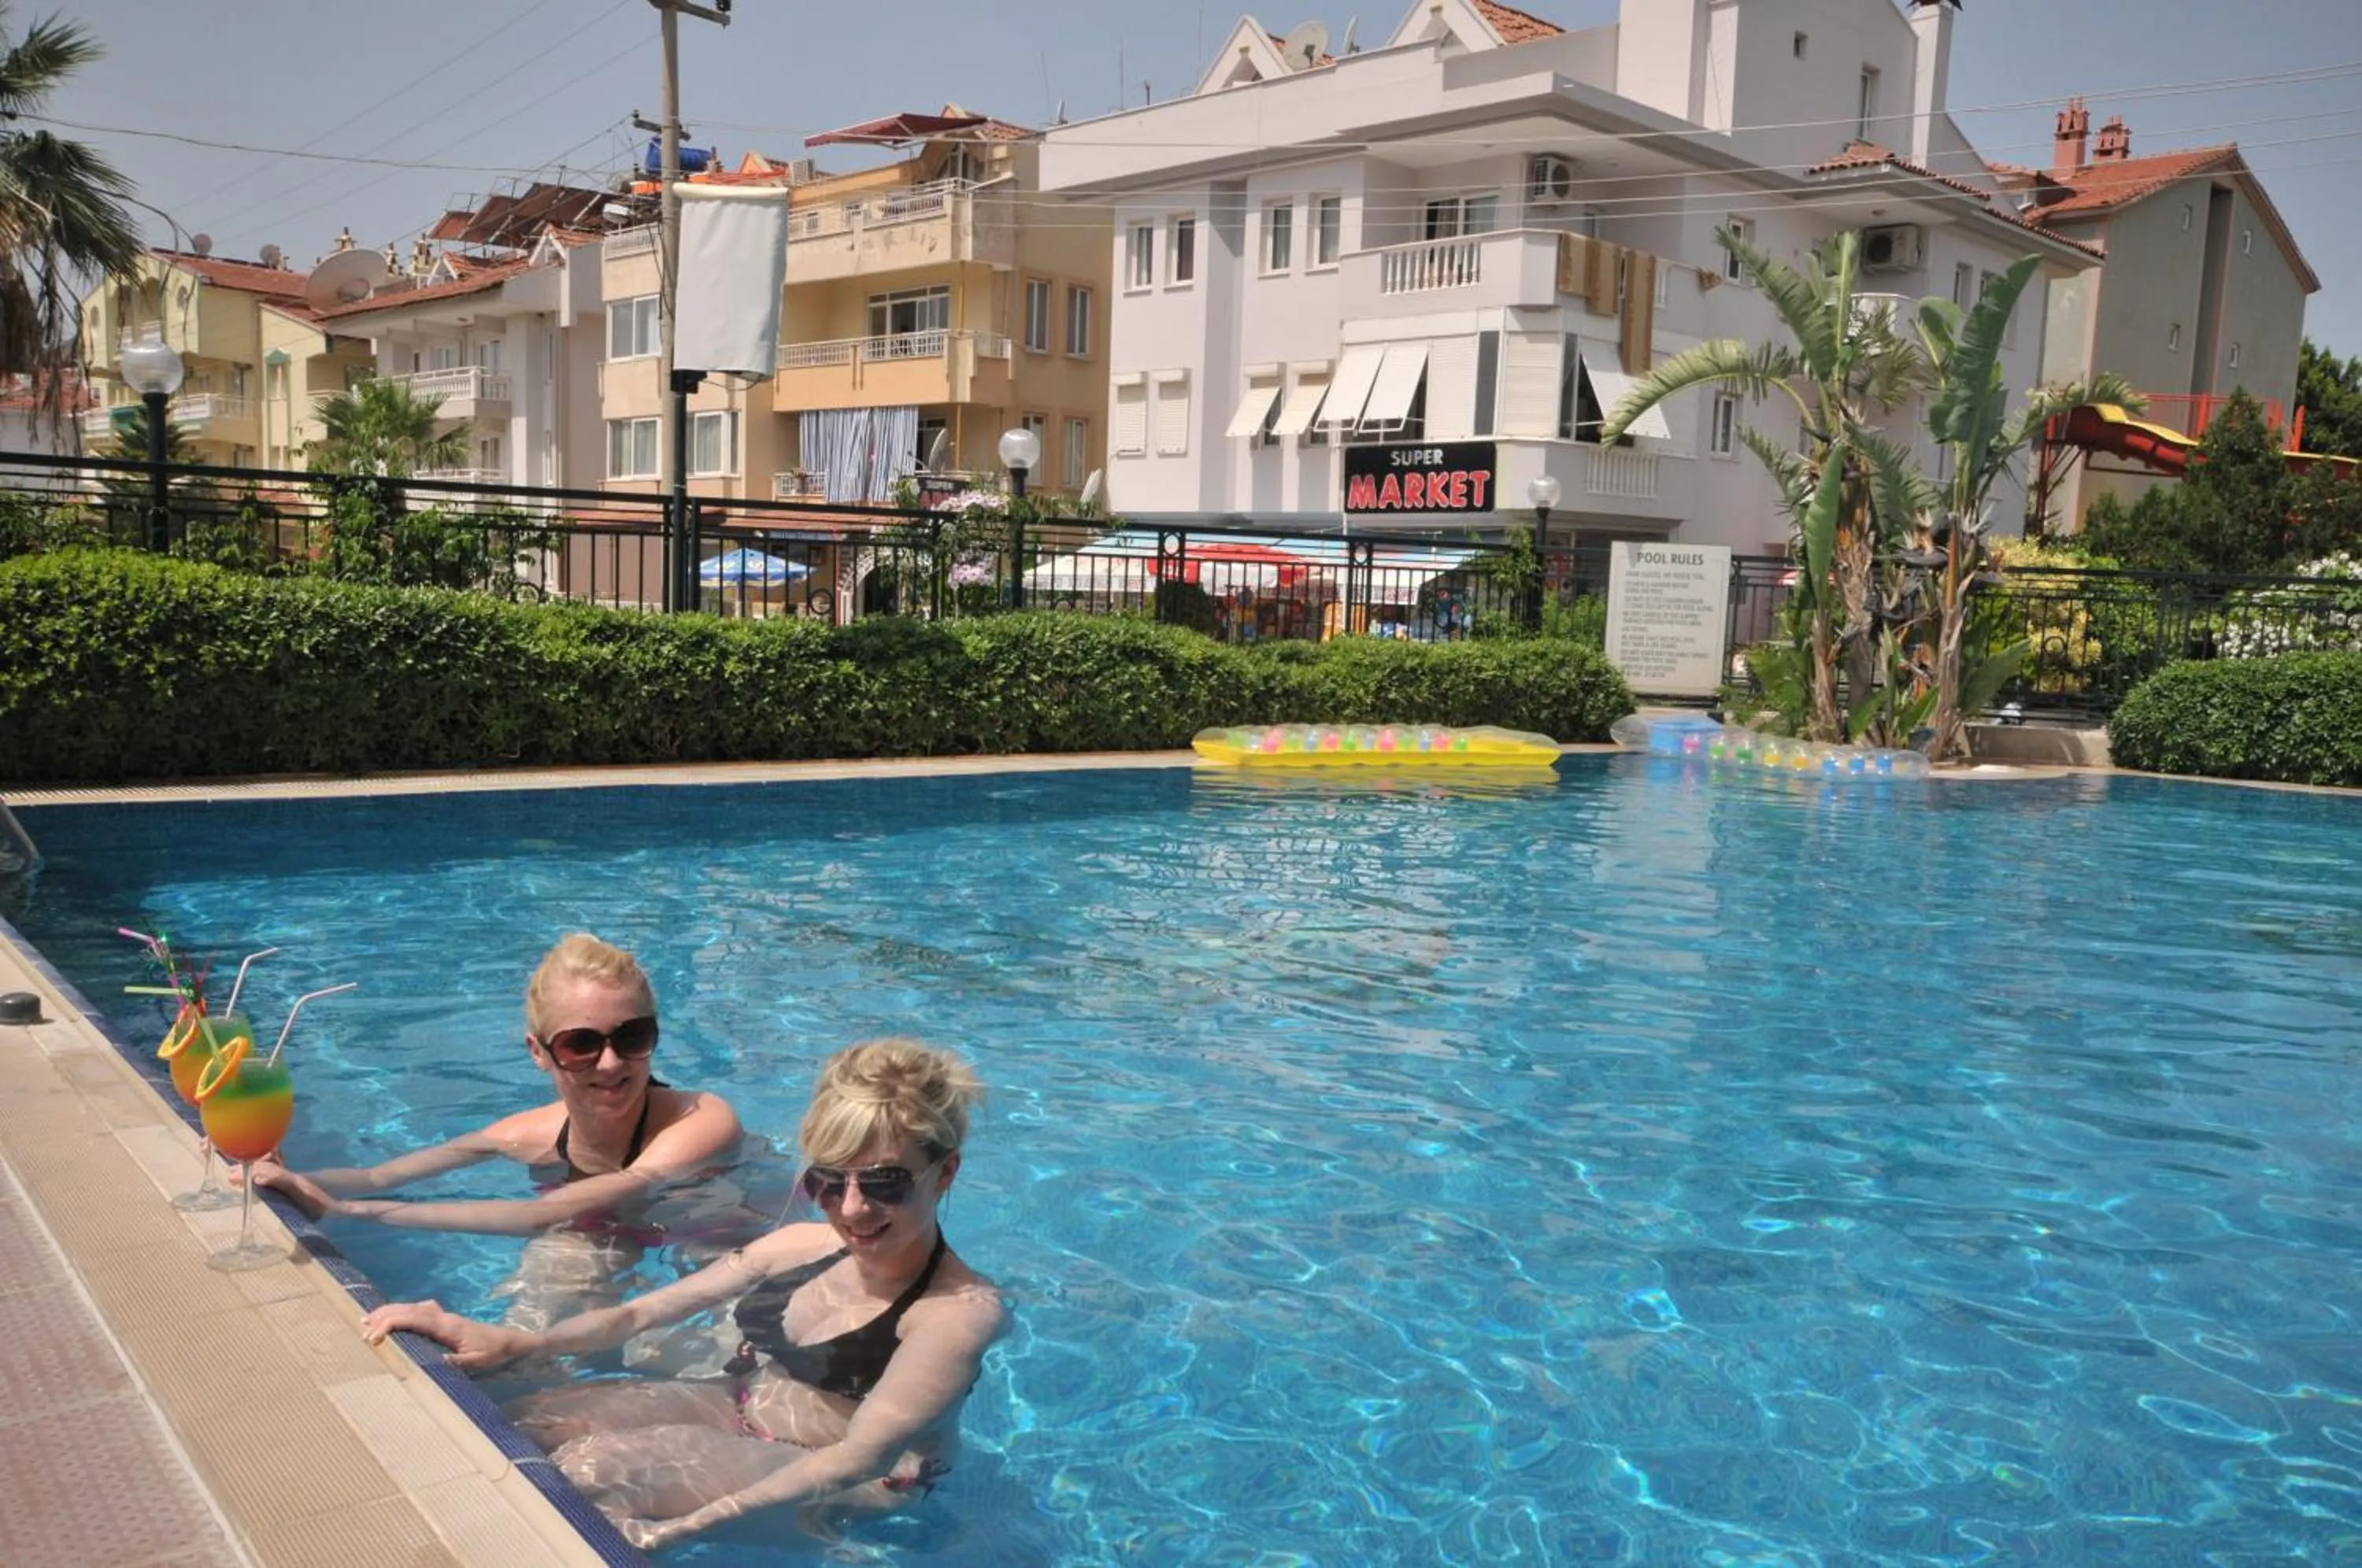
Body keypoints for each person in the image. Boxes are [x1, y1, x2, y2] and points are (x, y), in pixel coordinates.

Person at [361, 1037, 1004, 1552]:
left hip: (840, 1479)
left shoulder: (953, 1317)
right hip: (737, 1408)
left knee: (588, 1477)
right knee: (525, 1418)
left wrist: (675, 1531)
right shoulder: (801, 1248)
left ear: (945, 1171)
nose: (853, 1208)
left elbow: (857, 1460)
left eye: (886, 1183)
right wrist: (519, 1341)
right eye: (828, 1182)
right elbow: (642, 1312)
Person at [250, 933, 743, 1248]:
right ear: (538, 1051)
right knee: (530, 1309)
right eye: (581, 1044)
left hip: (714, 1241)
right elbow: (379, 1176)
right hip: (597, 1228)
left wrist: (350, 1213)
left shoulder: (701, 1120)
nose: (611, 1062)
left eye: (632, 1037)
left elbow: (544, 1211)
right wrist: (280, 1171)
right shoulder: (529, 1134)